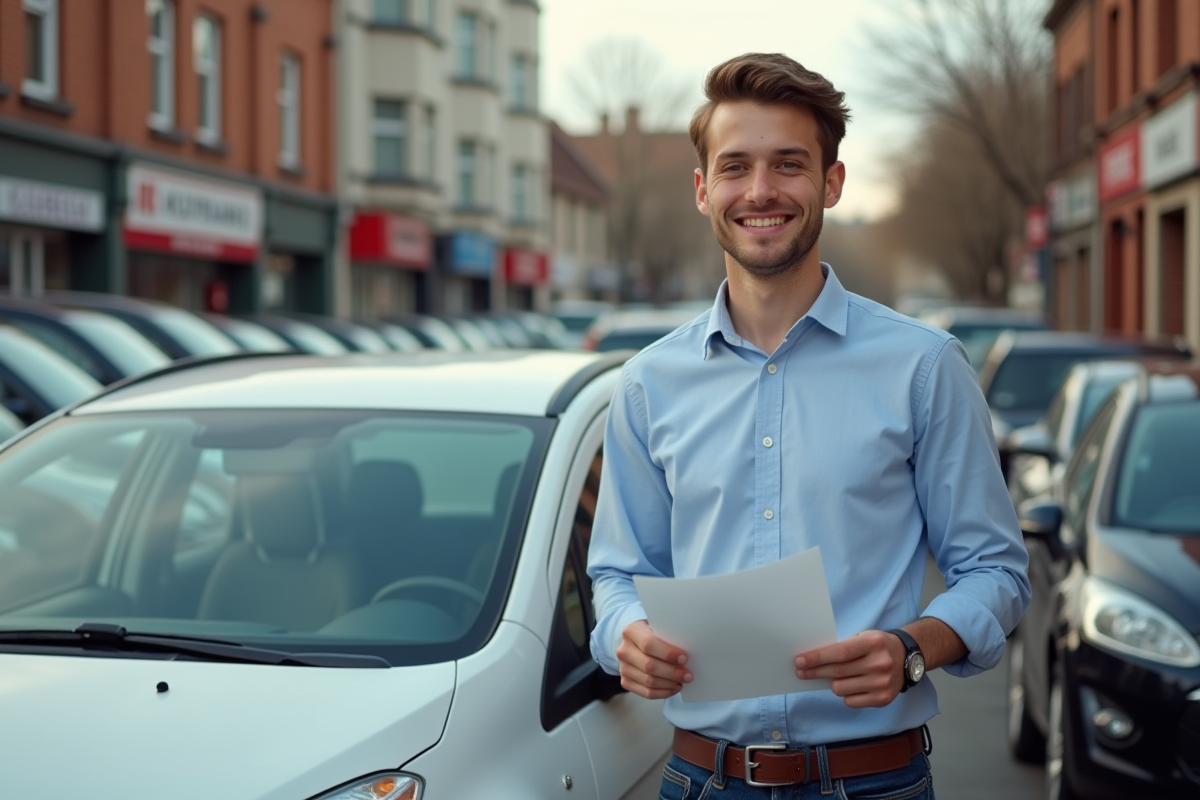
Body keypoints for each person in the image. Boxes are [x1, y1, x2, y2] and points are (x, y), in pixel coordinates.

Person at [586, 53, 1030, 799]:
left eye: (789, 164)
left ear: (832, 182)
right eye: (734, 167)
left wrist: (912, 649)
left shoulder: (924, 367)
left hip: (873, 781)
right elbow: (619, 573)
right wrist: (624, 635)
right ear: (703, 190)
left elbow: (996, 571)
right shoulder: (646, 385)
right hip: (701, 779)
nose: (760, 191)